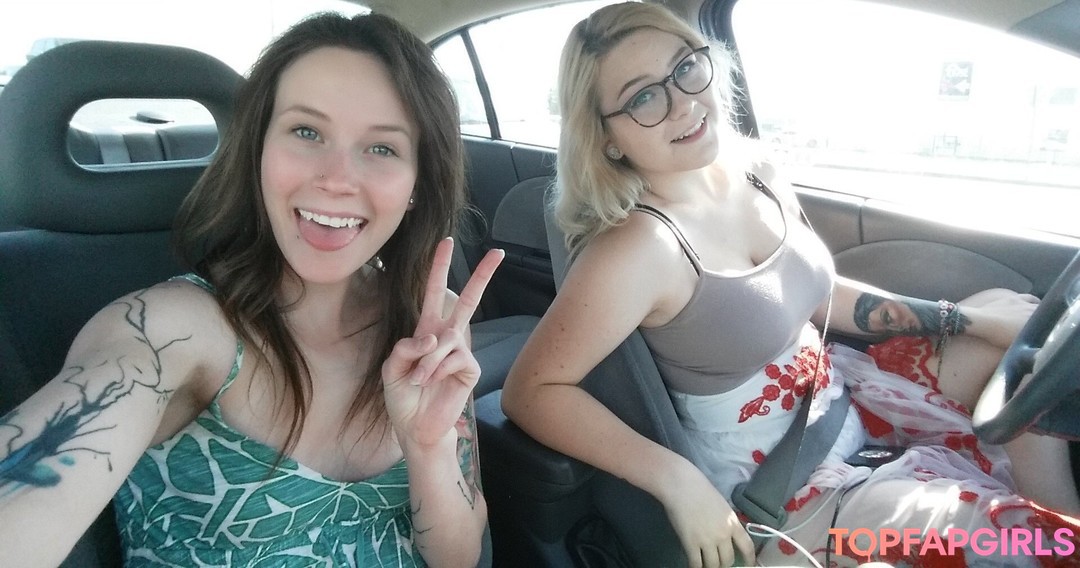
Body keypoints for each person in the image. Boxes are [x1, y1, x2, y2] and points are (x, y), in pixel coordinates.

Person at [501, 3, 1080, 567]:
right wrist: (675, 479)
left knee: (1024, 347)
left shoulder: (754, 170)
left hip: (844, 394)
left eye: (685, 67)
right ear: (606, 136)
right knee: (1010, 540)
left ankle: (1062, 518)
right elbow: (531, 390)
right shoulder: (638, 249)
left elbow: (817, 295)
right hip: (786, 486)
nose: (683, 103)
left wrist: (969, 320)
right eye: (643, 98)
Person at [0, 12, 501, 567]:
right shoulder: (171, 331)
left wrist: (428, 449)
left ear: (416, 185)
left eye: (382, 148)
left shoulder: (433, 323)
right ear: (258, 150)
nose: (337, 178)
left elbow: (458, 558)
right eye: (306, 132)